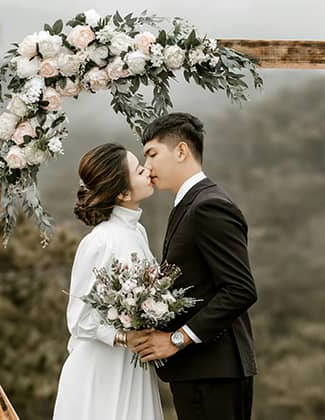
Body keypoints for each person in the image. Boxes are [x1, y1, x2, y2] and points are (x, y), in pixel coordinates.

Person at [128, 112, 258, 420]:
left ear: (181, 151)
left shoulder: (209, 205)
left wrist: (177, 339)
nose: (147, 166)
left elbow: (240, 289)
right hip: (201, 372)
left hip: (214, 373)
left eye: (152, 154)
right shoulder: (188, 204)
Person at [52, 143, 163, 420]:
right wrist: (124, 337)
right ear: (123, 193)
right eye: (138, 170)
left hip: (133, 366)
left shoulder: (138, 231)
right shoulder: (99, 242)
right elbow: (78, 320)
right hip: (101, 369)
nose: (147, 170)